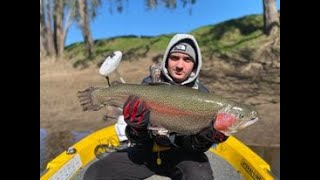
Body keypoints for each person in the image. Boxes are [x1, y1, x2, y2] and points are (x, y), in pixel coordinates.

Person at [84, 34, 229, 180]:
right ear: (166, 60)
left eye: (187, 59)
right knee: (95, 173)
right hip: (145, 153)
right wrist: (136, 127)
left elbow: (192, 147)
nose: (179, 65)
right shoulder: (149, 85)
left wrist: (204, 138)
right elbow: (138, 139)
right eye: (174, 58)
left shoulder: (204, 96)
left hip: (183, 155)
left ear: (195, 65)